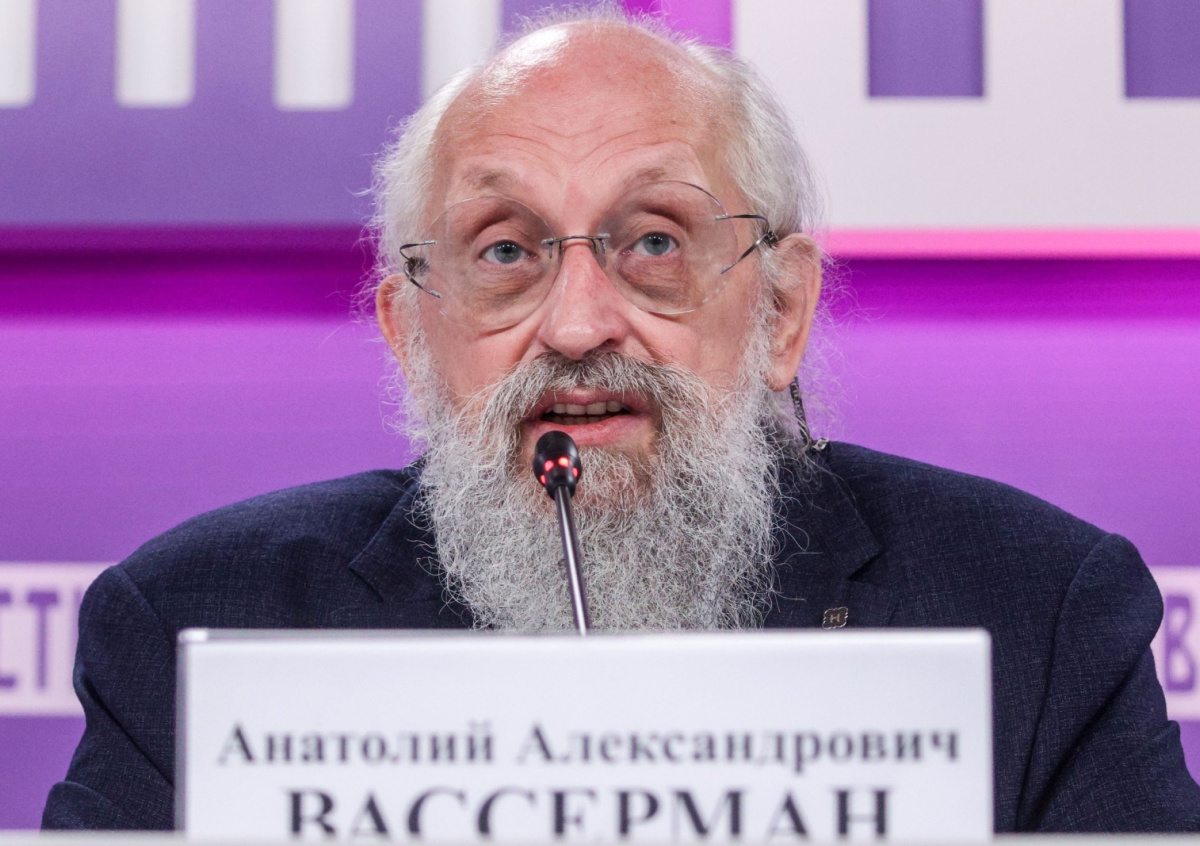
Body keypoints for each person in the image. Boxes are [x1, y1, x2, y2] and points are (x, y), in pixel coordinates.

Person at [43, 8, 1200, 832]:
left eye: (654, 241)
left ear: (782, 311)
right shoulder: (197, 624)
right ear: (410, 335)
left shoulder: (1035, 613)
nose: (578, 323)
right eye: (506, 252)